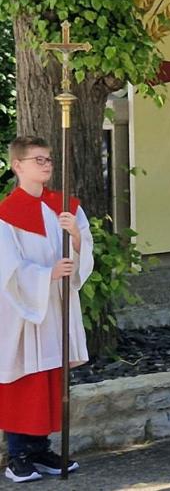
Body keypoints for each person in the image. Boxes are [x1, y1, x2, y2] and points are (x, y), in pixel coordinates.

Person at [0, 136, 93, 483]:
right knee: (23, 378)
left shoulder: (66, 206)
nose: (46, 164)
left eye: (49, 159)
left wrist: (77, 238)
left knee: (50, 377)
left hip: (54, 308)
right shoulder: (6, 215)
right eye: (38, 159)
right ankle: (18, 455)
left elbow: (84, 250)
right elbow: (6, 267)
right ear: (17, 166)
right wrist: (46, 275)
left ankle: (41, 449)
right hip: (23, 310)